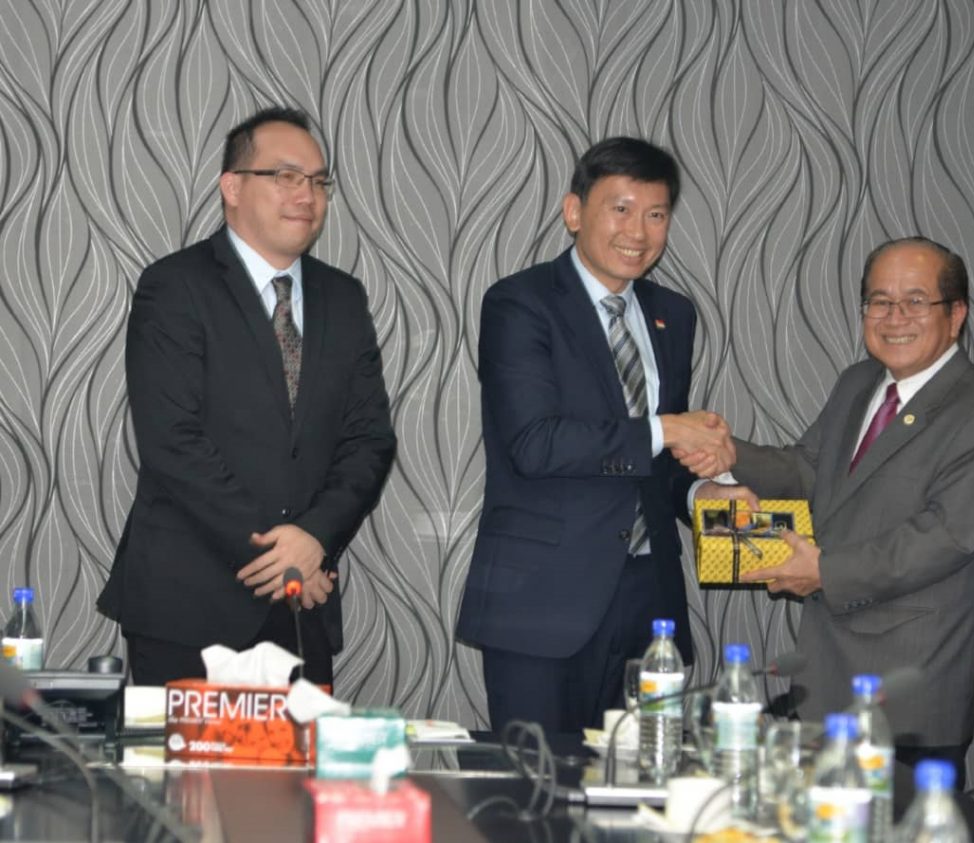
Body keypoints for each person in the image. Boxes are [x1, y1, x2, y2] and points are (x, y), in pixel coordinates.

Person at [696, 237, 974, 786]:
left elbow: (946, 538)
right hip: (825, 676)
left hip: (909, 693)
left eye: (915, 301)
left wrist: (823, 571)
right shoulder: (859, 382)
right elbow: (808, 470)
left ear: (956, 314)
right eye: (879, 301)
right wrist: (729, 454)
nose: (894, 318)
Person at [98, 107, 396, 689]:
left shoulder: (344, 297)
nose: (306, 194)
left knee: (297, 753)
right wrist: (279, 554)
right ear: (232, 188)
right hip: (188, 603)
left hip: (301, 604)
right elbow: (172, 443)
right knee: (185, 756)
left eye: (318, 181)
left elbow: (370, 439)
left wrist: (314, 539)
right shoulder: (175, 286)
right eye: (285, 176)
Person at [456, 137, 736, 735]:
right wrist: (667, 428)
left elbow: (657, 458)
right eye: (621, 209)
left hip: (648, 598)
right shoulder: (519, 303)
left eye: (656, 214)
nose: (639, 231)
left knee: (639, 780)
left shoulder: (674, 314)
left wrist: (701, 494)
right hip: (543, 599)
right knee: (537, 784)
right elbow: (535, 443)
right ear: (574, 211)